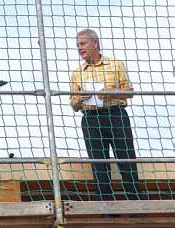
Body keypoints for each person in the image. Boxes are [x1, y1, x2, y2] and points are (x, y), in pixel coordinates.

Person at [69, 29, 142, 215]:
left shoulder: (116, 64)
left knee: (126, 160)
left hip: (116, 115)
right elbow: (73, 105)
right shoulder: (77, 73)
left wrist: (112, 91)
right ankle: (106, 210)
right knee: (99, 164)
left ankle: (136, 208)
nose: (80, 48)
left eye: (83, 44)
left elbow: (130, 91)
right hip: (91, 119)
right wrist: (79, 98)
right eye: (78, 45)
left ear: (95, 43)